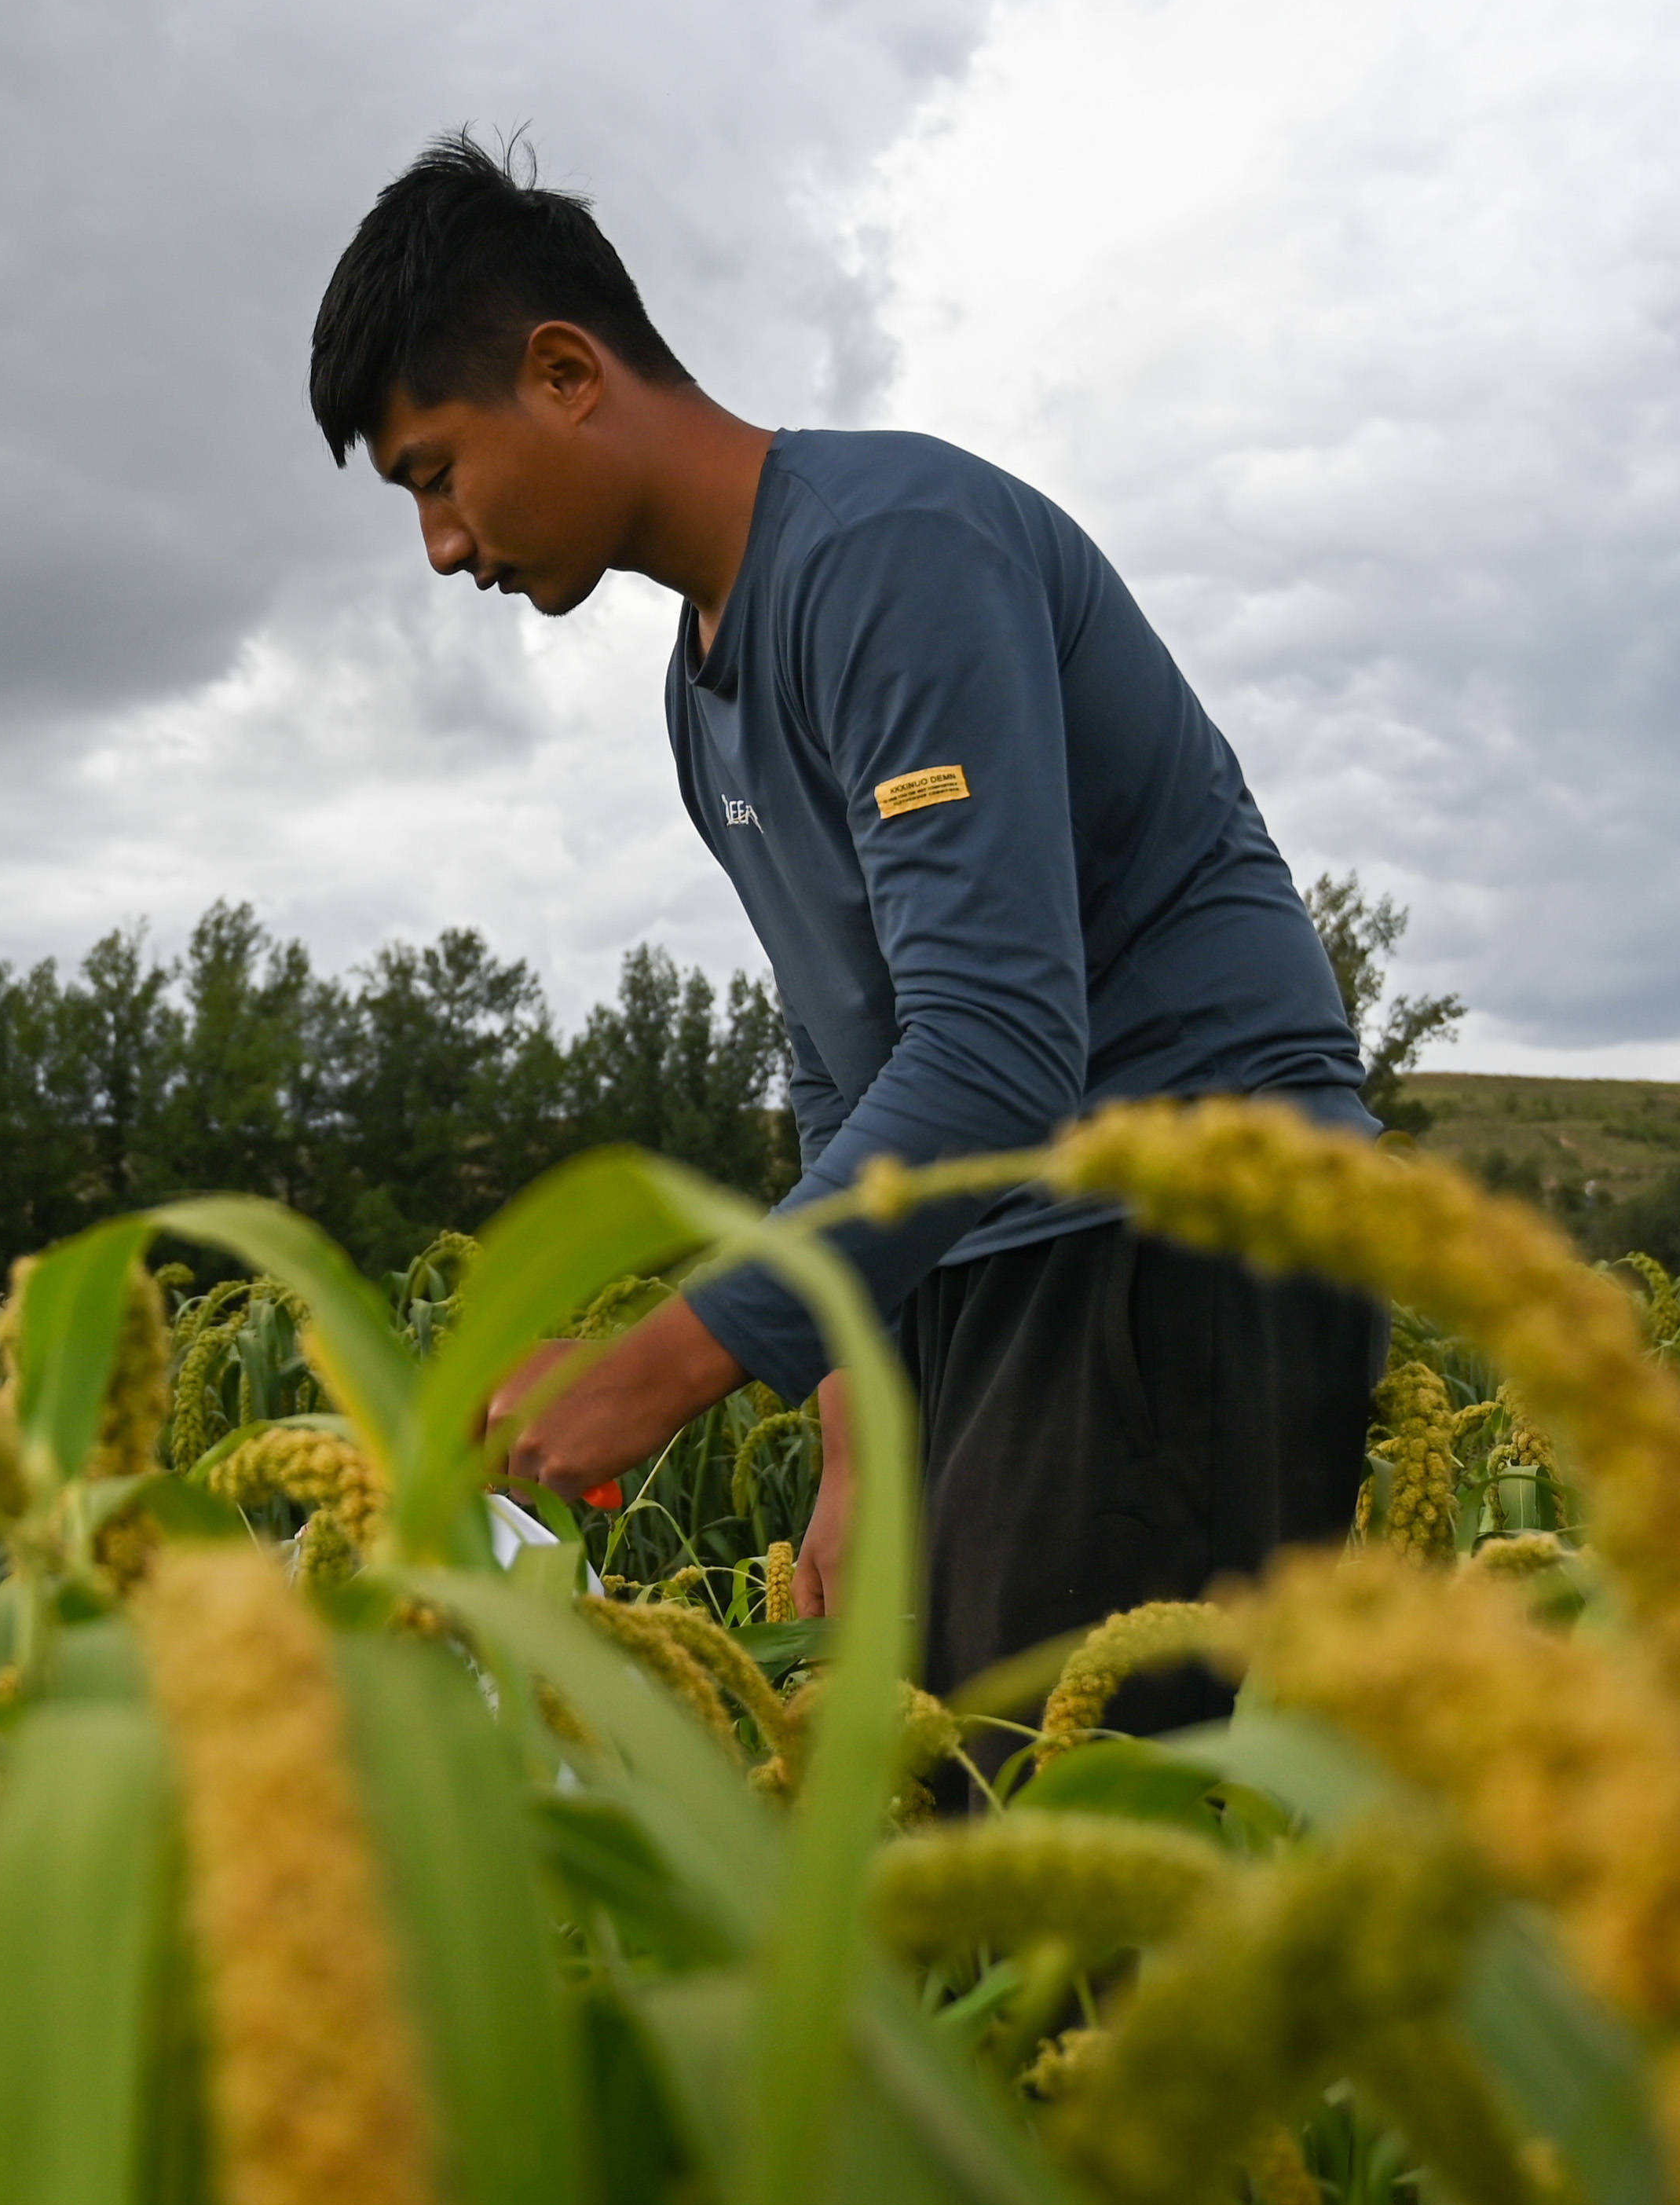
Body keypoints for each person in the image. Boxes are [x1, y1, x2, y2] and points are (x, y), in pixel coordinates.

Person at [306, 132, 1386, 1729]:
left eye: (433, 474)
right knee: (951, 1822)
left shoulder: (888, 555)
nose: (443, 548)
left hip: (1172, 1232)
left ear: (560, 370)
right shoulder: (702, 694)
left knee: (1064, 1850)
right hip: (985, 1257)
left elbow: (999, 1044)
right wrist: (855, 1434)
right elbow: (843, 1067)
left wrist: (659, 1366)